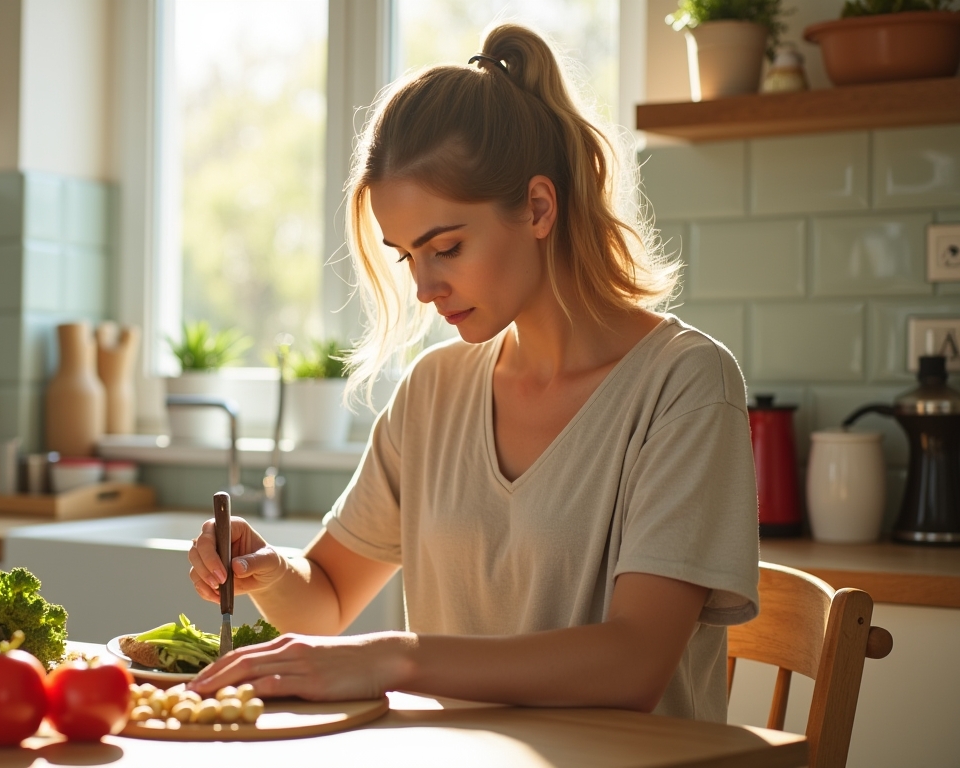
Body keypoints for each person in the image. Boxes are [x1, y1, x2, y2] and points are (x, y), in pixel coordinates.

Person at [185, 23, 759, 722]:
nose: (424, 287)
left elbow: (634, 662)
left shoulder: (686, 385)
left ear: (539, 207)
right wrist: (269, 571)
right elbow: (331, 595)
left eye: (446, 247)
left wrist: (395, 657)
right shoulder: (433, 390)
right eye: (406, 257)